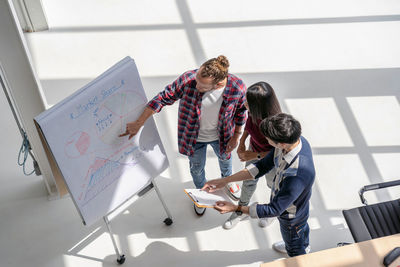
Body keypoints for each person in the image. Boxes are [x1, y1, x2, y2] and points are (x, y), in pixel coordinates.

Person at [119, 55, 247, 216]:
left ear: (218, 84)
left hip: (223, 136)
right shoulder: (189, 80)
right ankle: (202, 193)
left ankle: (227, 180)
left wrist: (236, 136)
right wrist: (139, 122)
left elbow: (241, 112)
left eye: (202, 85)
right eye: (197, 78)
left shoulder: (237, 87)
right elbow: (162, 98)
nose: (196, 84)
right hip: (193, 137)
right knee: (197, 168)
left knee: (225, 158)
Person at [202, 113, 315, 257]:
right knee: (300, 232)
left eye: (268, 139)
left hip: (291, 217)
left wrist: (235, 208)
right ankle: (302, 245)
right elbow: (262, 166)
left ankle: (296, 250)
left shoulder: (298, 173)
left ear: (281, 144)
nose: (266, 141)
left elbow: (274, 209)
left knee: (294, 246)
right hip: (296, 211)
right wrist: (225, 180)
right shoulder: (294, 141)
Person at [223, 81, 282, 229]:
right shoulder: (253, 111)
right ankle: (240, 210)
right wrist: (242, 141)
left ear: (259, 106)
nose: (244, 103)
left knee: (273, 185)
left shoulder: (274, 124)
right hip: (253, 151)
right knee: (248, 182)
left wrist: (253, 156)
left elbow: (278, 151)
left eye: (248, 102)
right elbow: (249, 126)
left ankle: (272, 211)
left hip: (271, 159)